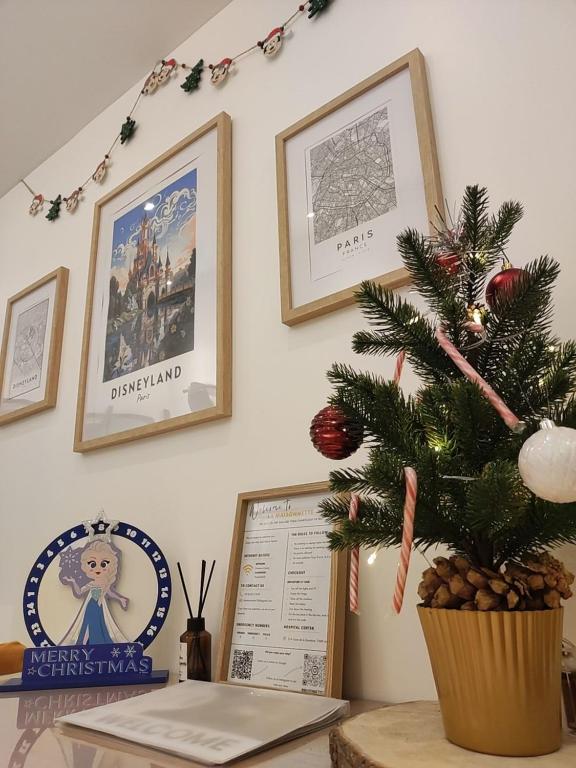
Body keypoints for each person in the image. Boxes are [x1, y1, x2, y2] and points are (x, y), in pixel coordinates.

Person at [58, 540, 129, 645]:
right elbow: (79, 592)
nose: (98, 568)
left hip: (99, 606)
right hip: (91, 605)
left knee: (98, 624)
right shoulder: (92, 583)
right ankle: (83, 643)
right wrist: (73, 582)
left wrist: (120, 599)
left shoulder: (104, 582)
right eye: (92, 564)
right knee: (88, 624)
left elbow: (109, 592)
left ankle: (95, 643)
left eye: (104, 564)